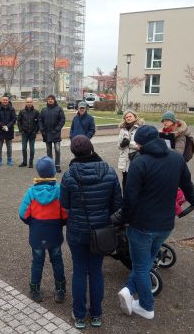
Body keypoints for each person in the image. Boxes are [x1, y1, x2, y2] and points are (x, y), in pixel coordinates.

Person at [112, 125, 194, 320]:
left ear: (140, 143)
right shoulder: (176, 159)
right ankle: (127, 290)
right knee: (145, 263)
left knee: (141, 266)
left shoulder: (139, 162)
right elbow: (187, 186)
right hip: (166, 225)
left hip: (142, 226)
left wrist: (120, 219)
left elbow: (130, 198)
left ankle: (146, 306)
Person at [60, 135, 122, 329]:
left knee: (79, 271)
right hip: (101, 231)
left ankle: (79, 316)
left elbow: (64, 204)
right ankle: (96, 314)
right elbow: (117, 205)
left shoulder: (69, 175)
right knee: (96, 272)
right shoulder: (110, 172)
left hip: (77, 231)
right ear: (91, 148)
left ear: (73, 152)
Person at [18, 156, 67, 303]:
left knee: (37, 262)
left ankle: (35, 289)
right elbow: (65, 214)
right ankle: (60, 290)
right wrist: (60, 223)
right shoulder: (59, 190)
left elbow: (23, 214)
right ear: (53, 172)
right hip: (54, 233)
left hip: (37, 233)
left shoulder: (31, 192)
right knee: (57, 261)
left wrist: (32, 223)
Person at [117, 110, 144, 191]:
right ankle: (125, 199)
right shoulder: (122, 129)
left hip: (135, 159)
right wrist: (121, 144)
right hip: (124, 160)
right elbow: (118, 145)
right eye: (126, 117)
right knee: (125, 181)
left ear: (135, 117)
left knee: (135, 181)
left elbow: (142, 145)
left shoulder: (140, 128)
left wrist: (129, 143)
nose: (128, 118)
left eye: (130, 116)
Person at [39, 95, 66, 173]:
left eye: (51, 99)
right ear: (47, 100)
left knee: (57, 150)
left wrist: (57, 129)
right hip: (46, 134)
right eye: (49, 99)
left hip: (56, 133)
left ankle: (57, 166)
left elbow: (62, 120)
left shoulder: (59, 109)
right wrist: (42, 130)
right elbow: (40, 120)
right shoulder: (44, 110)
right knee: (48, 151)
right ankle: (50, 166)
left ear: (54, 100)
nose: (50, 100)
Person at [0, 96, 17, 166]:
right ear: (1, 101)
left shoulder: (12, 109)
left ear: (8, 101)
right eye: (3, 100)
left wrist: (7, 126)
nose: (5, 101)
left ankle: (9, 159)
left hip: (9, 130)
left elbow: (14, 119)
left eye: (6, 100)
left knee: (9, 146)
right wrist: (2, 126)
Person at [17, 97, 40, 168]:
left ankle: (31, 162)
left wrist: (35, 131)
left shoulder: (36, 112)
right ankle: (24, 162)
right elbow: (19, 121)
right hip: (24, 133)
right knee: (24, 148)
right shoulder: (22, 111)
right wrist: (21, 130)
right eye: (28, 102)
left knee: (32, 149)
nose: (29, 103)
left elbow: (38, 122)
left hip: (32, 133)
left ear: (32, 103)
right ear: (26, 103)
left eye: (30, 102)